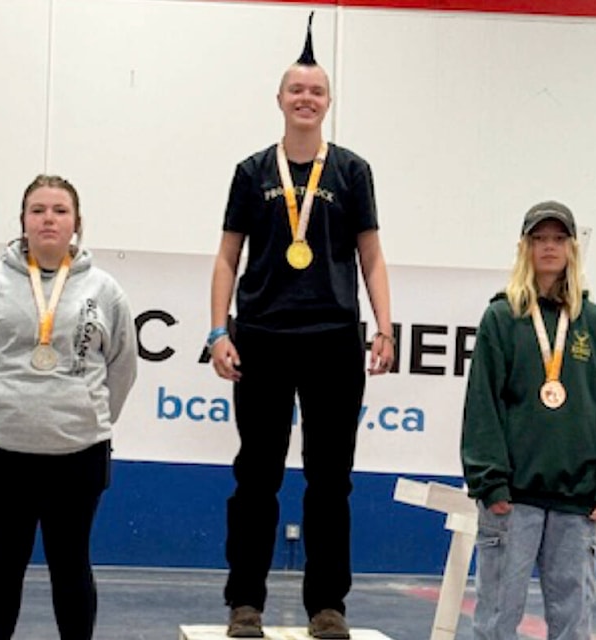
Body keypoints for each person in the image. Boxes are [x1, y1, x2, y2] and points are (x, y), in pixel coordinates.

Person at [208, 13, 394, 640]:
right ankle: (244, 603)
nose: (306, 99)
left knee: (330, 481)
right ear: (280, 99)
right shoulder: (250, 171)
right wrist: (217, 332)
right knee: (255, 477)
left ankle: (327, 606)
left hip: (334, 341)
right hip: (260, 337)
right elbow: (228, 256)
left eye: (317, 91)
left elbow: (370, 255)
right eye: (296, 90)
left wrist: (385, 327)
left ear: (328, 101)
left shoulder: (352, 172)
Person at [0, 174, 138, 640]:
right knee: (3, 565)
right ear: (23, 221)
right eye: (38, 210)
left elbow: (122, 368)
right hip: (4, 450)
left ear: (77, 223)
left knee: (71, 565)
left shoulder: (105, 291)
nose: (49, 219)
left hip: (79, 453)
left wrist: (86, 412)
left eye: (59, 210)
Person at [461, 201, 596, 640]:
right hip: (512, 498)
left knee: (573, 621)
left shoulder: (594, 324)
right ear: (525, 248)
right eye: (539, 239)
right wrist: (489, 480)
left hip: (578, 501)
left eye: (558, 239)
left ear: (572, 249)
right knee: (497, 618)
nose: (549, 248)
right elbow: (483, 404)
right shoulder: (502, 318)